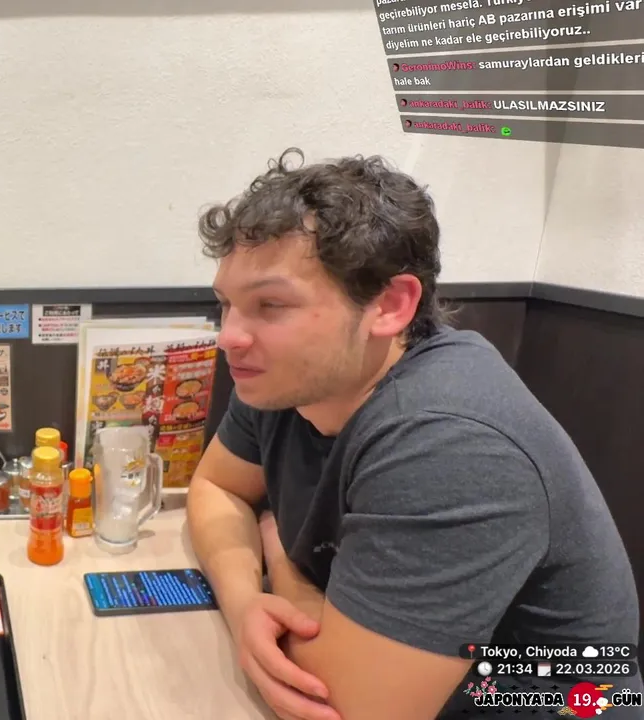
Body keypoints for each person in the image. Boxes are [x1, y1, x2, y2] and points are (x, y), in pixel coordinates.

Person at [185, 148, 640, 719]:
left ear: (390, 305)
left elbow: (346, 707)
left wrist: (280, 562)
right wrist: (244, 600)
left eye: (270, 304)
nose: (229, 336)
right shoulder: (292, 378)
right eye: (227, 305)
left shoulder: (452, 443)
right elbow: (217, 487)